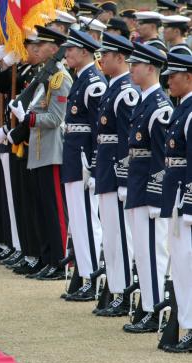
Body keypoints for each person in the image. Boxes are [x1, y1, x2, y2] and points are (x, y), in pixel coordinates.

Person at [8, 26, 72, 280]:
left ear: (55, 49)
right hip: (37, 151)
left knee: (54, 210)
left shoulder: (60, 78)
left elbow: (56, 118)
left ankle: (59, 261)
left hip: (52, 152)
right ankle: (47, 258)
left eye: (43, 45)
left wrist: (28, 118)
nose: (37, 48)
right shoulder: (43, 76)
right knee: (41, 210)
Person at [123, 43, 173, 333]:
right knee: (142, 250)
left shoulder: (160, 107)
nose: (132, 69)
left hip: (149, 190)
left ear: (151, 68)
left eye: (136, 64)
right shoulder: (144, 102)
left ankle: (155, 310)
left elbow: (161, 157)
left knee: (153, 251)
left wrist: (156, 195)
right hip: (136, 184)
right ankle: (147, 306)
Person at [94, 33, 139, 317]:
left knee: (121, 236)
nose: (102, 60)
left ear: (120, 58)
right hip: (105, 169)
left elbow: (126, 139)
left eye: (106, 56)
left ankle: (123, 293)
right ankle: (115, 286)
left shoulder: (126, 91)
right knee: (111, 234)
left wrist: (124, 178)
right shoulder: (114, 87)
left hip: (116, 171)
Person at [61, 29, 106, 301]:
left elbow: (99, 130)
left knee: (88, 219)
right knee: (78, 219)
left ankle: (92, 276)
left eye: (71, 50)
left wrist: (94, 164)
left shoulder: (93, 82)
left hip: (83, 160)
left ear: (85, 52)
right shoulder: (81, 78)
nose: (66, 53)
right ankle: (84, 271)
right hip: (73, 154)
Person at [161, 53, 192, 353]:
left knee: (187, 265)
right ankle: (185, 325)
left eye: (175, 75)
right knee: (180, 267)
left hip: (185, 201)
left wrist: (190, 207)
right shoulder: (181, 109)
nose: (169, 80)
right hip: (175, 197)